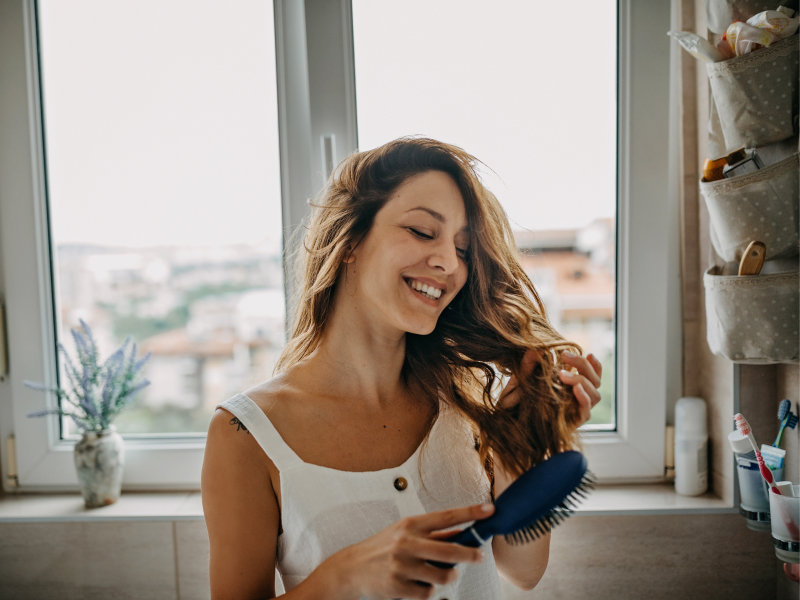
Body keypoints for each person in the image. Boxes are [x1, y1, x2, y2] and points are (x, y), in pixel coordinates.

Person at [201, 137, 603, 600]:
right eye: (422, 231)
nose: (449, 262)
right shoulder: (247, 436)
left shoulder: (465, 402)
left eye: (464, 248)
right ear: (349, 240)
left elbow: (523, 570)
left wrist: (523, 442)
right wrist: (342, 579)